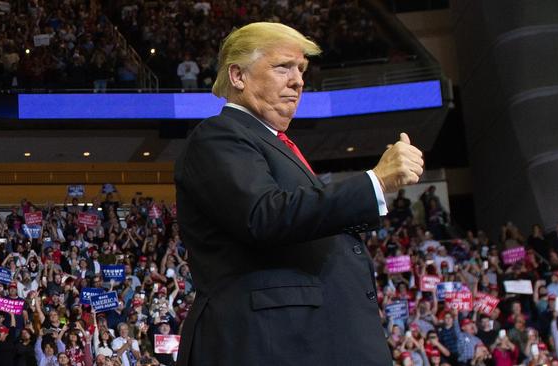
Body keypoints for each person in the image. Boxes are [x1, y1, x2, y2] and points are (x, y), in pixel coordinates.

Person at [174, 22, 424, 366]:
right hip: (268, 345)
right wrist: (375, 182)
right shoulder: (219, 135)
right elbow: (264, 215)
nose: (298, 80)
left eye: (301, 69)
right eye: (283, 67)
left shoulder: (277, 146)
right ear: (237, 76)